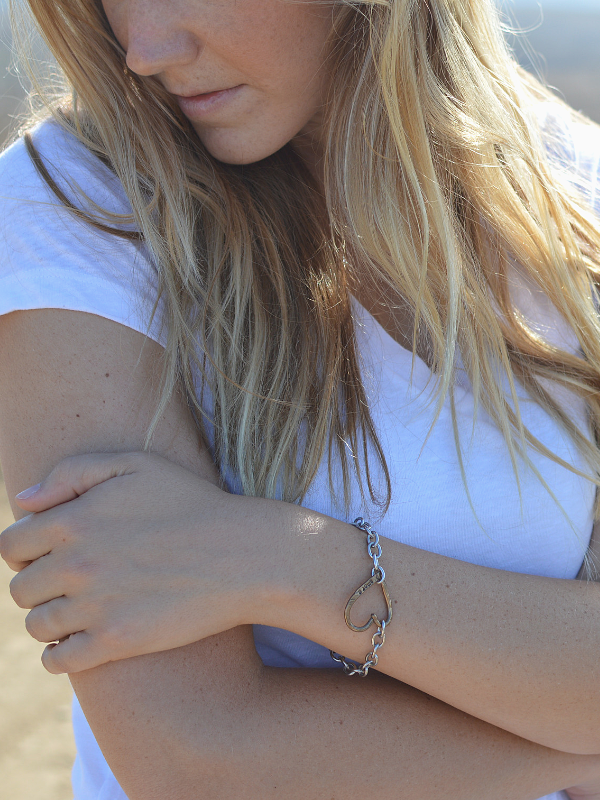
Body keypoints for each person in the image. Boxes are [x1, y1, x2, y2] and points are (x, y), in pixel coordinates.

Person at [1, 0, 600, 798]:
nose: (143, 49)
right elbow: (198, 761)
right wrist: (569, 747)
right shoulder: (74, 201)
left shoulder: (568, 191)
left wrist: (280, 558)